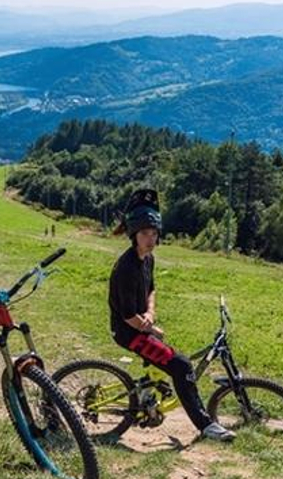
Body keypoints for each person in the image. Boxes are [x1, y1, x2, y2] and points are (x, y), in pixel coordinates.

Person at [109, 189, 235, 442]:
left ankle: (148, 395)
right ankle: (206, 425)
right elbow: (127, 315)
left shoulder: (148, 259)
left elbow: (151, 289)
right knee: (181, 366)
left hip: (139, 326)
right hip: (128, 332)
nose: (150, 239)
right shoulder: (126, 267)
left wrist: (150, 312)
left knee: (166, 359)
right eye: (145, 234)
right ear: (134, 235)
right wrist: (149, 328)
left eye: (154, 234)